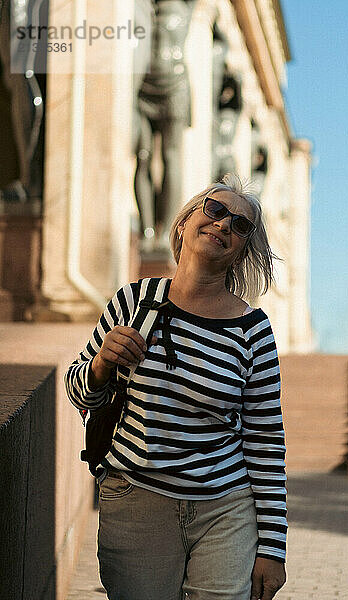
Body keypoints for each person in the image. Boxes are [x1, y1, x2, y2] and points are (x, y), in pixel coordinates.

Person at [65, 173, 287, 600]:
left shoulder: (252, 330)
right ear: (184, 224)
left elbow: (265, 441)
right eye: (216, 211)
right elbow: (78, 392)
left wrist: (273, 548)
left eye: (240, 226)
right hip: (136, 502)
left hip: (227, 508)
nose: (224, 225)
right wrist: (100, 364)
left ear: (241, 252)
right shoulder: (134, 300)